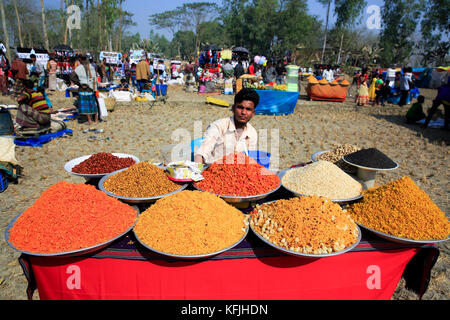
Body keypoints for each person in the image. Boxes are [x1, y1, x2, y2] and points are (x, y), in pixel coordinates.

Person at [194, 88, 259, 165]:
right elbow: (201, 153)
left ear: (253, 113)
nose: (243, 112)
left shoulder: (252, 133)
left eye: (248, 109)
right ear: (233, 108)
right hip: (213, 170)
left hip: (239, 173)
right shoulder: (218, 126)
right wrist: (197, 169)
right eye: (240, 107)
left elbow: (250, 160)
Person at [70, 53, 99, 126]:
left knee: (86, 106)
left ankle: (89, 120)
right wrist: (95, 89)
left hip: (84, 88)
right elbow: (95, 78)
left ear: (80, 59)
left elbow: (72, 76)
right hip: (91, 88)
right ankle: (95, 119)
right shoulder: (91, 67)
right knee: (93, 104)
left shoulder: (79, 68)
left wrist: (79, 83)